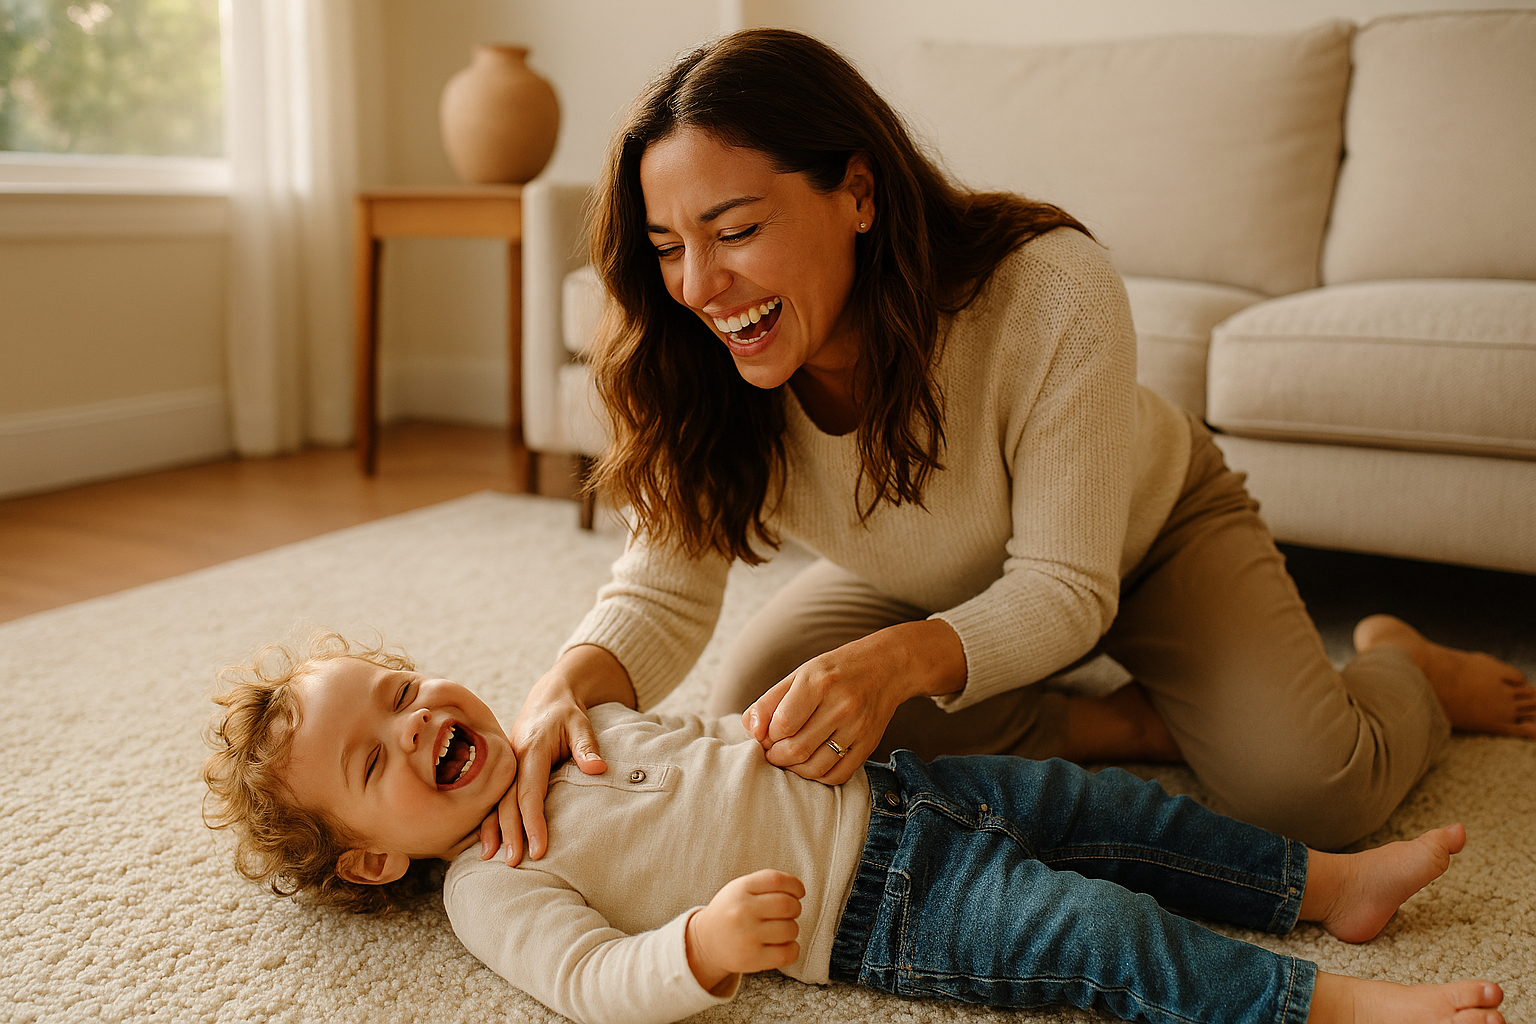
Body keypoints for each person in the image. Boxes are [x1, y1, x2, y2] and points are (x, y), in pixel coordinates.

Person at [500, 27, 1535, 864]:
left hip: (1145, 542)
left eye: (733, 231)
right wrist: (561, 689)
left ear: (857, 192)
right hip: (934, 580)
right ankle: (1131, 726)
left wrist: (900, 661)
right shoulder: (705, 358)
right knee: (770, 716)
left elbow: (1064, 587)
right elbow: (663, 586)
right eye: (670, 247)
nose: (698, 287)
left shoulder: (1046, 285)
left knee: (1315, 791)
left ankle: (1408, 668)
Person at [200, 634, 1507, 1024]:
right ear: (374, 856)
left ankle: (1329, 880)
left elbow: (700, 742)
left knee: (1117, 816)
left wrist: (754, 730)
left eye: (402, 687)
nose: (419, 714)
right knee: (1095, 928)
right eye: (376, 758)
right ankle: (1327, 1005)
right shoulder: (493, 886)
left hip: (904, 788)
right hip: (879, 911)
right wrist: (702, 949)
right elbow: (593, 982)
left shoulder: (563, 732)